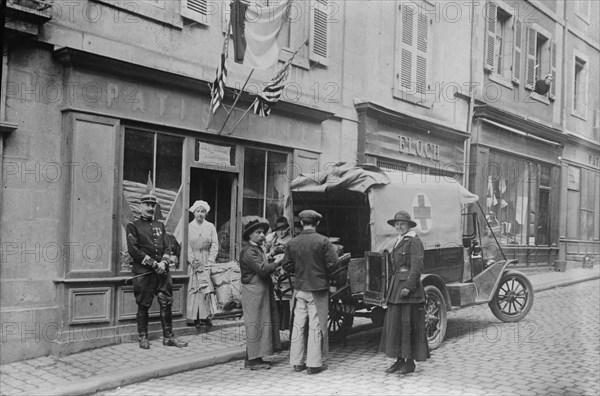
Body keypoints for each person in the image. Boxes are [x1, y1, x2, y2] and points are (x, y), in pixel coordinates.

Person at [126, 192, 188, 349]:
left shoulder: (161, 226)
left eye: (153, 205)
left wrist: (164, 262)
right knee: (143, 305)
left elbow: (168, 247)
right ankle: (143, 337)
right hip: (144, 273)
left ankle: (168, 337)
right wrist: (155, 264)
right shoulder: (133, 226)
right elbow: (134, 250)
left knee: (166, 303)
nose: (150, 208)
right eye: (146, 204)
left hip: (162, 273)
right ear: (140, 206)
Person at [283, 210, 339, 375]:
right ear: (317, 223)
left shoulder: (293, 242)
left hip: (300, 288)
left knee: (298, 326)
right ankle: (313, 364)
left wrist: (299, 270)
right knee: (315, 326)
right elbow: (334, 263)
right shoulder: (323, 241)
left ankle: (297, 362)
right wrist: (322, 272)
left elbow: (286, 265)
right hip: (318, 289)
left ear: (301, 223)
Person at [379, 211, 429, 374]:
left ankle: (410, 362)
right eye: (397, 224)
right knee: (396, 325)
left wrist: (409, 286)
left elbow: (417, 266)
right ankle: (399, 360)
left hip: (409, 290)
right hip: (396, 288)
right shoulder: (399, 240)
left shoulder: (414, 241)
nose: (399, 226)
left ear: (409, 225)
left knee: (408, 324)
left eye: (402, 224)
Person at [239, 219, 281, 370]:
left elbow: (261, 263)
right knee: (255, 323)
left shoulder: (256, 249)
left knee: (259, 322)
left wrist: (270, 257)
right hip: (254, 292)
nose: (262, 235)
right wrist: (278, 262)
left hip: (260, 290)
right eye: (258, 232)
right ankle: (252, 361)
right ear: (250, 235)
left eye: (263, 232)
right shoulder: (250, 251)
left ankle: (254, 357)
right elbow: (262, 269)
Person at [185, 200, 219, 329]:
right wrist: (193, 261)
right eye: (198, 211)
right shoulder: (189, 226)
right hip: (193, 260)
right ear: (194, 212)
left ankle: (206, 317)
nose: (200, 214)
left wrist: (210, 261)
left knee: (207, 288)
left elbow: (215, 244)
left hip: (206, 259)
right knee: (194, 288)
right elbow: (186, 245)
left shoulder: (210, 226)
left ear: (206, 213)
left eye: (203, 211)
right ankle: (193, 317)